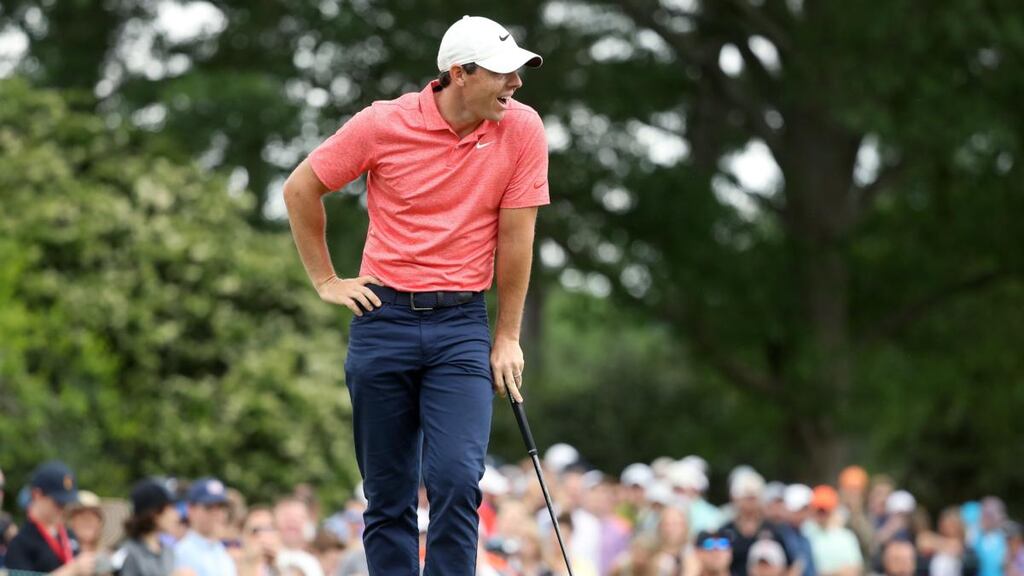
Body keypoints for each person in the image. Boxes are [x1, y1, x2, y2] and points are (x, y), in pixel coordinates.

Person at [283, 12, 548, 575]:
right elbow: (302, 187)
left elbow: (517, 239)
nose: (516, 84)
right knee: (388, 494)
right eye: (503, 74)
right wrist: (327, 281)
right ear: (460, 74)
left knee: (456, 479)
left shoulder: (522, 129)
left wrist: (507, 337)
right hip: (384, 318)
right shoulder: (383, 124)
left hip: (460, 327)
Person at [4, 461, 97, 576]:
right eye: (58, 502)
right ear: (37, 495)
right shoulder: (20, 544)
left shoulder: (68, 535)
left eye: (66, 503)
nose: (63, 508)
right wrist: (72, 570)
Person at [719, 470, 790, 576]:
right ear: (735, 498)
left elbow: (789, 564)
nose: (750, 503)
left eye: (753, 498)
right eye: (747, 498)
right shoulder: (725, 530)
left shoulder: (773, 530)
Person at [116, 479, 188, 576]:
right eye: (171, 508)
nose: (177, 514)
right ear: (155, 514)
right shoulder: (128, 553)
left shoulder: (168, 551)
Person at [173, 477, 237, 576]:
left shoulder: (222, 552)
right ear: (191, 510)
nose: (217, 513)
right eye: (209, 507)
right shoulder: (181, 553)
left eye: (221, 507)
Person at [802, 485, 862, 576]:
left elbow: (855, 570)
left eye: (825, 510)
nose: (822, 514)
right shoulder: (804, 533)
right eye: (819, 510)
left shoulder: (846, 536)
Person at [66, 491, 105, 556]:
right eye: (81, 514)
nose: (88, 519)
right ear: (71, 522)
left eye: (94, 514)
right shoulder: (59, 558)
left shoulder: (110, 559)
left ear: (100, 523)